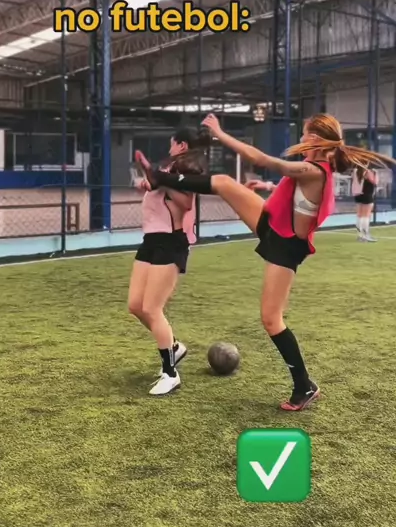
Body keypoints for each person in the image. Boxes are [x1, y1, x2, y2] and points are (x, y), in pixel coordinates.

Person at [136, 113, 395, 411]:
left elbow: (261, 159)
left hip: (286, 246)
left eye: (304, 134)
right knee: (224, 182)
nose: (301, 139)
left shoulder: (313, 170)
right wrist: (268, 187)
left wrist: (221, 133)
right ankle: (160, 178)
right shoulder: (311, 168)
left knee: (271, 319)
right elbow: (296, 194)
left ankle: (304, 386)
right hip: (273, 224)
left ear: (314, 139)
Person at [128, 127, 210, 396]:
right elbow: (157, 186)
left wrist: (160, 180)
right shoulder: (169, 168)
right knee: (136, 305)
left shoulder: (185, 170)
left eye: (172, 143)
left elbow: (185, 202)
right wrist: (148, 181)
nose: (169, 147)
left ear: (182, 145)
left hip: (171, 242)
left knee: (152, 308)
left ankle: (170, 373)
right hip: (151, 240)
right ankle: (173, 346)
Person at [352, 164, 378, 242]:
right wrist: (375, 173)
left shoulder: (355, 171)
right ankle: (365, 235)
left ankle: (360, 235)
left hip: (358, 195)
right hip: (367, 195)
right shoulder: (368, 172)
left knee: (359, 215)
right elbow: (375, 182)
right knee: (366, 216)